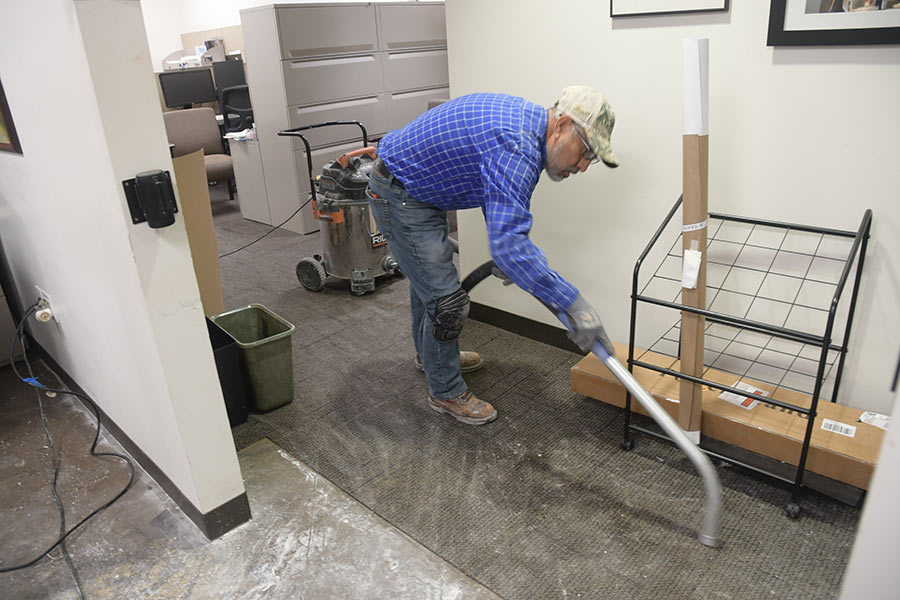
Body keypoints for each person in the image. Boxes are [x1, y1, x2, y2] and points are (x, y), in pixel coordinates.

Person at [367, 86, 618, 425]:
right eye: (586, 150)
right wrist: (575, 306)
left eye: (592, 158)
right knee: (447, 303)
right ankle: (445, 390)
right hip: (400, 193)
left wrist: (507, 249)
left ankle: (432, 359)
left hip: (419, 189)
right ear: (562, 126)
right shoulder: (517, 146)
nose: (584, 166)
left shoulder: (524, 129)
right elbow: (510, 244)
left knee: (428, 282)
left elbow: (497, 195)